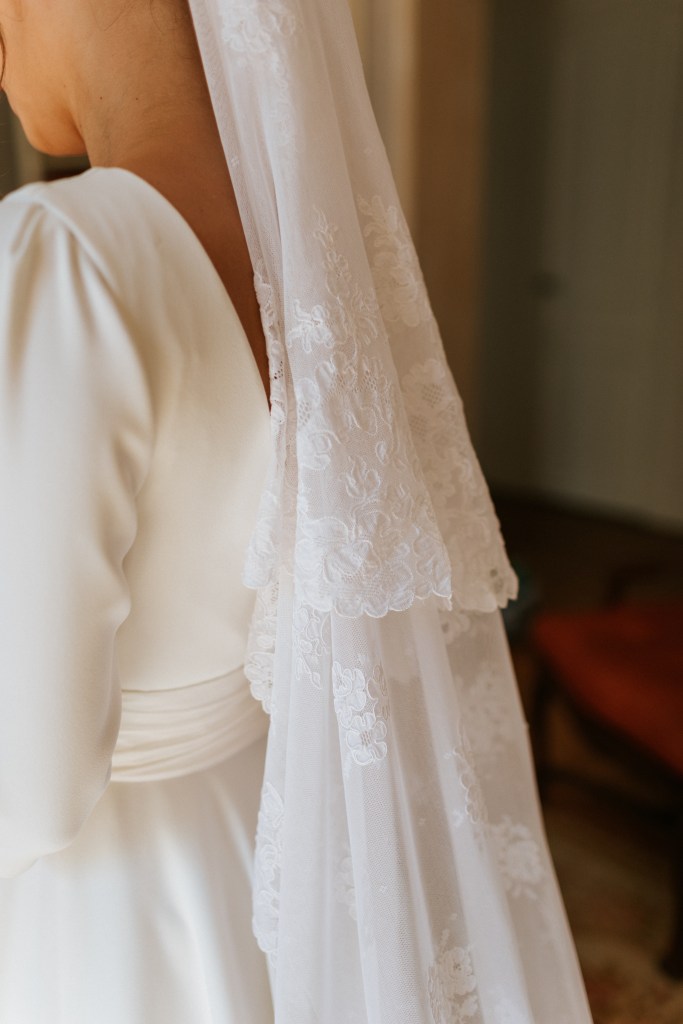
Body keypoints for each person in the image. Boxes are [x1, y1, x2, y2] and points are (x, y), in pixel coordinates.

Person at [0, 1, 595, 1022]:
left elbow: (24, 781)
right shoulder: (320, 262)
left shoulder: (68, 256)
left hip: (96, 928)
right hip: (267, 874)